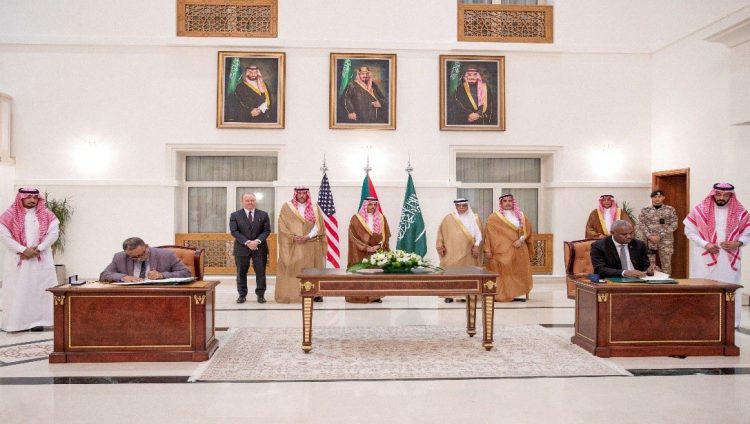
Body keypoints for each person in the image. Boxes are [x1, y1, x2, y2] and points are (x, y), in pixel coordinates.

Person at [684, 183, 750, 328]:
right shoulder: (700, 210)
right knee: (703, 286)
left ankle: (731, 322)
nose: (721, 198)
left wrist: (738, 243)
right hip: (704, 256)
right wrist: (705, 244)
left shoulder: (740, 212)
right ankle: (700, 320)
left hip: (729, 258)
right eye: (719, 194)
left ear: (731, 196)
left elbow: (747, 233)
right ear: (713, 194)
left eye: (726, 195)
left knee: (730, 288)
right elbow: (689, 232)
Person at [0, 188, 59, 332]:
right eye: (29, 197)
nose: (32, 200)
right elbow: (4, 236)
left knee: (39, 290)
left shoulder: (47, 215)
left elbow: (53, 234)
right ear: (21, 198)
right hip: (18, 259)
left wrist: (38, 248)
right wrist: (23, 250)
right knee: (18, 289)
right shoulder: (8, 215)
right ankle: (15, 323)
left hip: (41, 259)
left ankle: (38, 322)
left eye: (35, 197)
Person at [276, 187, 326, 303]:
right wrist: (293, 237)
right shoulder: (287, 207)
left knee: (313, 269)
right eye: (299, 193)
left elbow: (318, 226)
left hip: (311, 243)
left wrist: (307, 236)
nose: (302, 195)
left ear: (307, 194)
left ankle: (315, 294)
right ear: (295, 194)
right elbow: (282, 225)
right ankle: (293, 293)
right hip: (293, 244)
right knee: (294, 269)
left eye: (304, 193)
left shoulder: (314, 207)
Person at [484, 194, 533, 302]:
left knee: (518, 272)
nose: (507, 203)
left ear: (513, 202)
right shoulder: (493, 217)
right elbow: (488, 234)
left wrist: (521, 240)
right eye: (505, 201)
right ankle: (501, 295)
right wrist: (487, 249)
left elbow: (527, 231)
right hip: (500, 252)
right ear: (501, 203)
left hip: (519, 249)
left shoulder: (521, 216)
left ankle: (518, 294)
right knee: (502, 274)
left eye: (510, 201)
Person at [436, 198, 483, 303]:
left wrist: (476, 246)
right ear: (456, 206)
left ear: (467, 206)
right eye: (459, 206)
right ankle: (449, 295)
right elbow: (440, 233)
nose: (461, 208)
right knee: (450, 273)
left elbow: (479, 235)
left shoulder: (475, 218)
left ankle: (466, 294)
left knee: (468, 273)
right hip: (451, 252)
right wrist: (440, 246)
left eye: (464, 206)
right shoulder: (448, 218)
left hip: (469, 252)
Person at [347, 197, 391, 303]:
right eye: (370, 204)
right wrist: (366, 247)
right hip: (360, 251)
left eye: (375, 205)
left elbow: (386, 234)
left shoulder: (381, 218)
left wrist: (379, 245)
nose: (373, 207)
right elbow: (352, 236)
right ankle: (358, 296)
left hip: (376, 251)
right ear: (365, 205)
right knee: (360, 273)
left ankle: (375, 296)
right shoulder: (356, 218)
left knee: (376, 273)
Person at [229, 193, 271, 304]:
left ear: (255, 201)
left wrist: (256, 241)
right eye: (247, 200)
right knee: (241, 273)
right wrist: (247, 242)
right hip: (242, 248)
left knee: (261, 272)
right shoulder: (235, 215)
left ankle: (260, 295)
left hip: (260, 248)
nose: (250, 202)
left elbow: (266, 231)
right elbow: (234, 231)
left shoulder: (263, 214)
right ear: (242, 201)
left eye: (252, 200)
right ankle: (242, 295)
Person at [99, 237, 192, 282]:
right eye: (134, 257)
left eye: (141, 254)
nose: (139, 258)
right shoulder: (120, 257)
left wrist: (161, 275)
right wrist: (124, 277)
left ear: (146, 247)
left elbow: (186, 273)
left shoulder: (166, 255)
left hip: (159, 296)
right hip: (130, 296)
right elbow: (104, 275)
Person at [636, 189, 679, 275]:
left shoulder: (670, 209)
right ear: (651, 198)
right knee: (650, 264)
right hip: (649, 241)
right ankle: (652, 284)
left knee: (666, 264)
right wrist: (649, 236)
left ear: (663, 197)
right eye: (655, 197)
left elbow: (674, 224)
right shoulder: (645, 210)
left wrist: (660, 235)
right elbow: (641, 223)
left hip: (665, 241)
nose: (657, 199)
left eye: (659, 197)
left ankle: (667, 284)